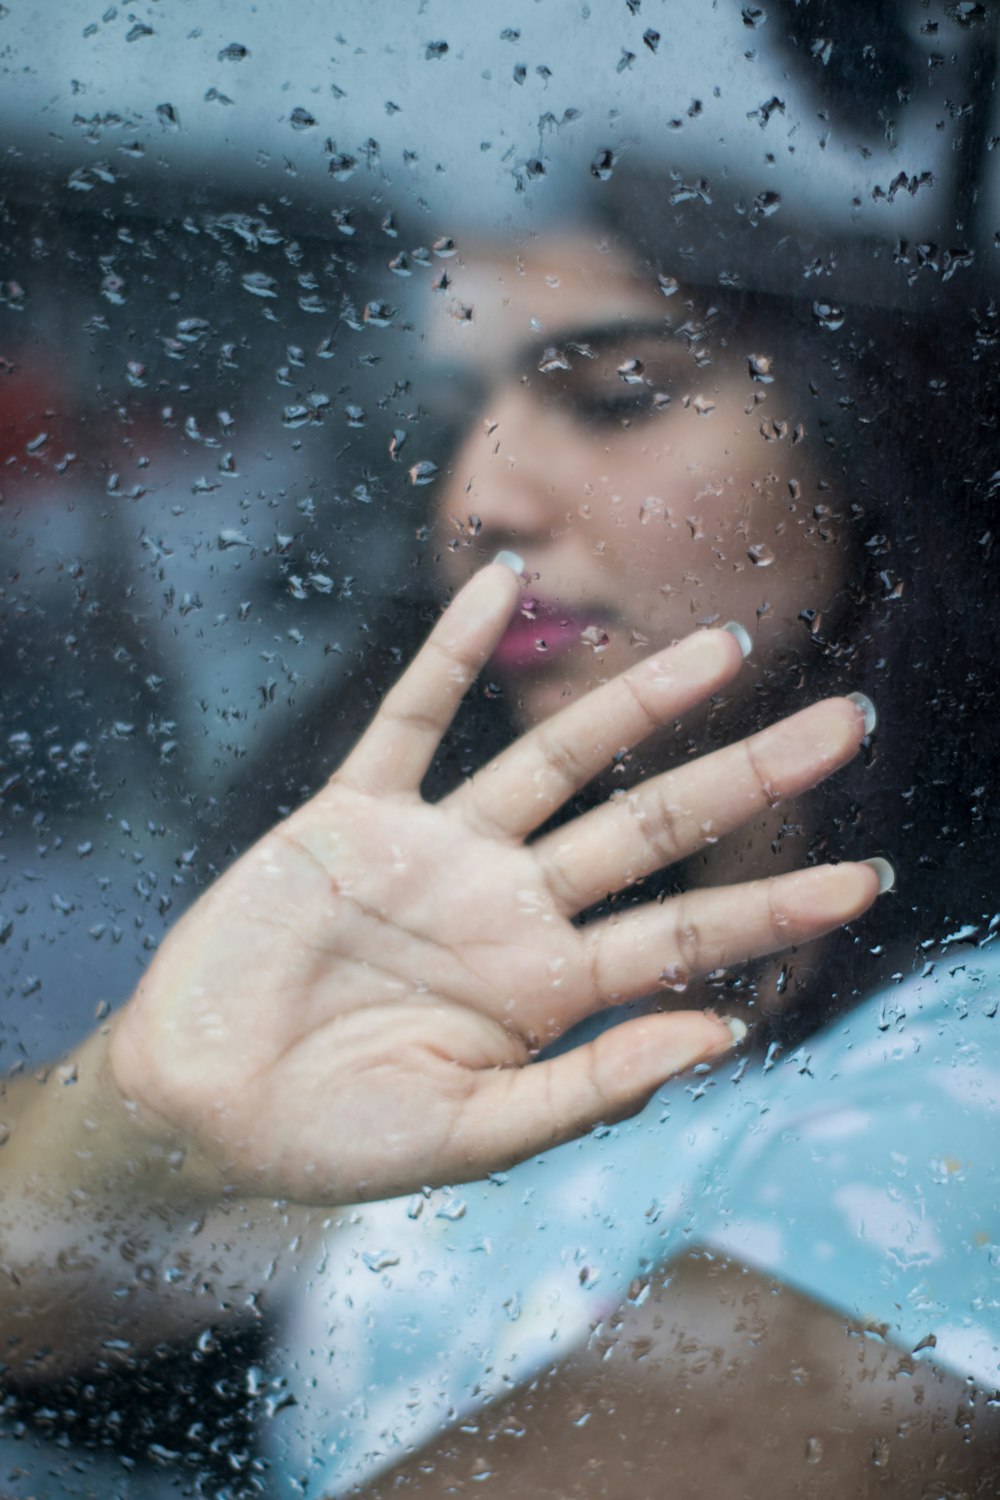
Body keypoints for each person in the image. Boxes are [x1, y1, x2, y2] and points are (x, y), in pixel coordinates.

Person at [1, 220, 997, 1498]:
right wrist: (144, 1118)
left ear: (885, 435)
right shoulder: (551, 1007)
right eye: (451, 423)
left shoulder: (965, 1077)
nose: (478, 503)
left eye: (615, 400)